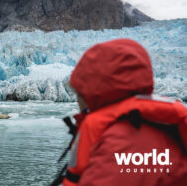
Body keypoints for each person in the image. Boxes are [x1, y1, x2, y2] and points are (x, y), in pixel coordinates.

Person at [63, 39, 187, 185]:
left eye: (79, 92)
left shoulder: (127, 140)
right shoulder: (133, 127)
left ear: (94, 92)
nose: (78, 100)